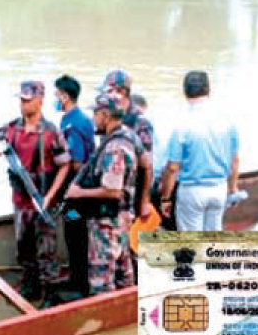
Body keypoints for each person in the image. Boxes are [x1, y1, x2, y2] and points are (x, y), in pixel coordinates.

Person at [0, 80, 71, 307]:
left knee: (47, 251)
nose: (23, 105)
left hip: (44, 201)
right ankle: (30, 286)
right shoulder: (11, 128)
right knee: (24, 248)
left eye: (27, 100)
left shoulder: (51, 132)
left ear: (40, 101)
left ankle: (49, 292)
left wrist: (51, 195)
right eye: (21, 100)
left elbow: (65, 165)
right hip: (21, 202)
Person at [64, 92, 138, 295]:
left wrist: (79, 193)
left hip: (108, 223)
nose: (93, 119)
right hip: (120, 219)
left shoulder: (115, 147)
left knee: (102, 281)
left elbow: (112, 191)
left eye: (96, 114)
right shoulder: (126, 137)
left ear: (105, 115)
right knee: (124, 273)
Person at [160, 71, 240, 231]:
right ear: (209, 90)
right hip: (219, 189)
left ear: (185, 92)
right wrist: (232, 189)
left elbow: (172, 168)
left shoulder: (182, 125)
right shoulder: (226, 122)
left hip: (192, 190)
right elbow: (235, 161)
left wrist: (166, 198)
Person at [55, 75, 95, 297]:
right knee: (78, 234)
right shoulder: (81, 118)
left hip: (75, 196)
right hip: (81, 191)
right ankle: (79, 278)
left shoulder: (72, 123)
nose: (56, 99)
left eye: (57, 95)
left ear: (65, 96)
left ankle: (79, 283)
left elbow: (77, 161)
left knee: (75, 234)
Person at [101, 70, 154, 222]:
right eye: (109, 90)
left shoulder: (140, 123)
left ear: (127, 94)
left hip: (132, 191)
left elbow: (147, 166)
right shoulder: (106, 115)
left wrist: (145, 201)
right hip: (110, 188)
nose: (113, 95)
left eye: (119, 91)